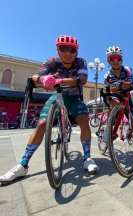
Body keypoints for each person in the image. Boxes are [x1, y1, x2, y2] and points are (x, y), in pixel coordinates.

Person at [0, 35, 99, 183]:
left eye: (71, 50)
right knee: (41, 124)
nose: (68, 53)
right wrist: (42, 79)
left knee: (84, 121)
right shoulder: (51, 62)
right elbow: (35, 76)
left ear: (76, 52)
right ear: (58, 50)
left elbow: (82, 80)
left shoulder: (81, 62)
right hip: (57, 96)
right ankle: (23, 165)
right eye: (63, 49)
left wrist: (59, 80)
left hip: (74, 98)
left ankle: (87, 157)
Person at [104, 46, 133, 136]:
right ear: (108, 60)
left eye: (118, 58)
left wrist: (116, 86)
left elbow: (130, 83)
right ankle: (109, 128)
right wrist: (122, 85)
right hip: (113, 96)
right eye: (112, 59)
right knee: (114, 103)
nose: (115, 61)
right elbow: (107, 89)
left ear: (122, 59)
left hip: (126, 96)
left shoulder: (127, 70)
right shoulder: (107, 75)